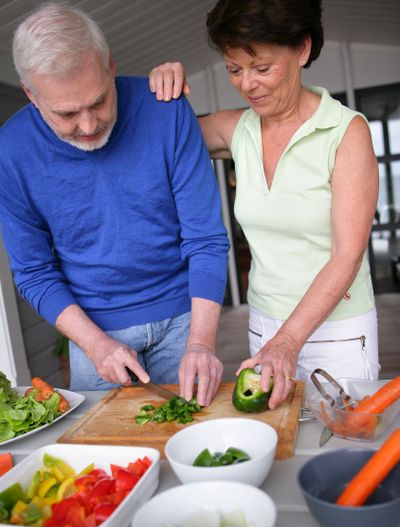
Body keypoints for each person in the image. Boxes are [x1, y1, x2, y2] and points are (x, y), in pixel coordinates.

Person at [149, 0, 380, 409]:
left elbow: (347, 256)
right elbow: (160, 140)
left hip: (337, 333)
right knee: (276, 444)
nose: (247, 84)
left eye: (262, 68)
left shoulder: (346, 133)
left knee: (346, 448)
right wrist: (161, 91)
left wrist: (288, 341)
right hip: (263, 326)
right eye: (234, 69)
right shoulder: (236, 129)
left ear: (303, 50)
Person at [0, 3, 230, 406]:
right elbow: (34, 272)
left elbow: (206, 239)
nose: (88, 126)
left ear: (110, 66)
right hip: (93, 339)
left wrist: (201, 343)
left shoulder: (167, 109)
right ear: (31, 94)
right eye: (67, 114)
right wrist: (96, 344)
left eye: (99, 101)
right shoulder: (10, 153)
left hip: (186, 326)